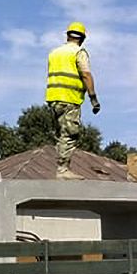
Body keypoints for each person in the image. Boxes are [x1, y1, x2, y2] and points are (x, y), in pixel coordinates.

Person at [45, 21, 100, 180]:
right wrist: (93, 98)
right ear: (82, 38)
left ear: (67, 35)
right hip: (70, 99)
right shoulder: (79, 52)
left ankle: (61, 167)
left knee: (60, 134)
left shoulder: (54, 53)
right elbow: (86, 75)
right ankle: (63, 170)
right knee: (70, 134)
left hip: (53, 98)